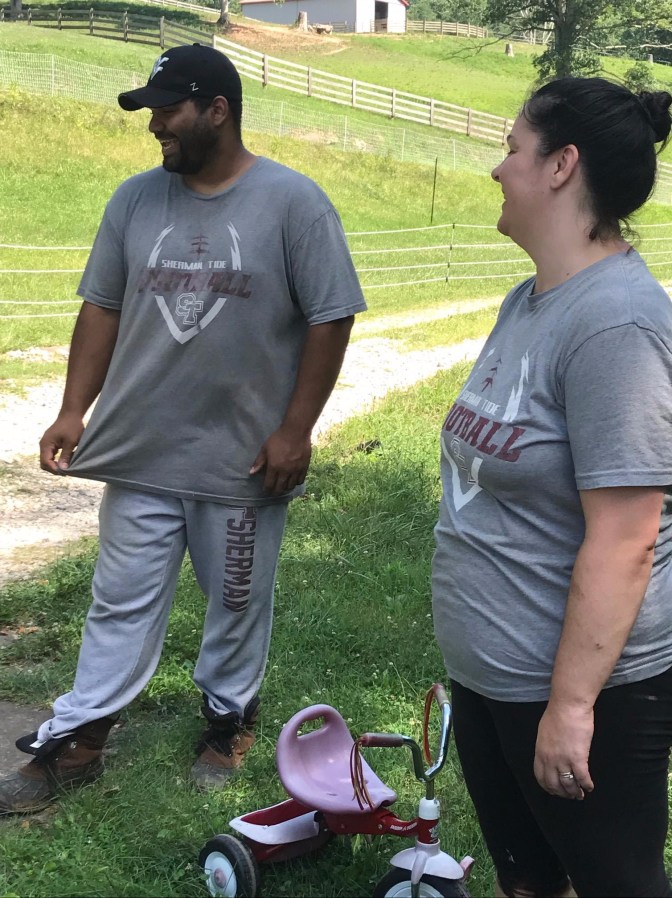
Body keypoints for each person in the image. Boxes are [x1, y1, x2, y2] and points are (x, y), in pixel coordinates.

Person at [0, 44, 366, 814]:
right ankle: (85, 732)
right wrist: (74, 408)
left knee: (236, 599)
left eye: (169, 111)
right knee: (118, 599)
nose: (156, 126)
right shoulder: (134, 202)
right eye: (153, 112)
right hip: (141, 451)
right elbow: (101, 307)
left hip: (241, 462)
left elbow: (332, 317)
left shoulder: (294, 204)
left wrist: (295, 429)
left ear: (218, 110)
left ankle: (228, 719)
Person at [432, 77, 672, 898]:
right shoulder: (529, 301)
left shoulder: (617, 327)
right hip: (493, 676)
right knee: (529, 881)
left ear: (562, 165)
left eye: (511, 149)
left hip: (578, 696)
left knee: (617, 886)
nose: (498, 169)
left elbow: (627, 536)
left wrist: (570, 710)